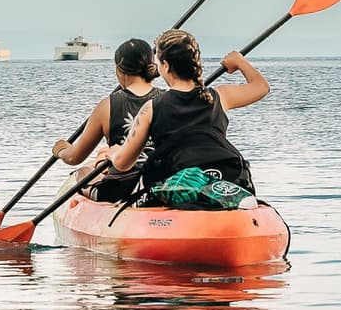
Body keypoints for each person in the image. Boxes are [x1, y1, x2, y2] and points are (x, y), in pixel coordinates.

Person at [105, 28, 268, 198]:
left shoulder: (150, 108)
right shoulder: (220, 96)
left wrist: (114, 152)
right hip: (224, 174)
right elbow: (261, 87)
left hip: (177, 182)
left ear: (166, 66)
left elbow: (124, 163)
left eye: (159, 62)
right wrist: (240, 62)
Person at [50, 38, 158, 202]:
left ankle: (96, 194)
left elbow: (74, 158)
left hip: (119, 189)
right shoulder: (168, 100)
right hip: (159, 182)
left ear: (119, 70)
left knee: (82, 172)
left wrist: (60, 150)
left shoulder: (107, 106)